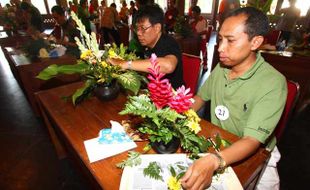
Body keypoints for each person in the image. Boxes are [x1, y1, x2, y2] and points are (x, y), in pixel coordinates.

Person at [181, 7, 287, 190]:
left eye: (230, 41)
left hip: (256, 152)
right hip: (218, 140)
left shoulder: (273, 83)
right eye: (220, 39)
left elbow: (252, 140)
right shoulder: (222, 68)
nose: (220, 48)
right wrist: (178, 114)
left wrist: (215, 161)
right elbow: (199, 98)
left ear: (255, 42)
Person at [109, 4, 184, 89]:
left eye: (143, 28)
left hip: (173, 98)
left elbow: (168, 66)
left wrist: (126, 64)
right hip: (154, 92)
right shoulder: (147, 44)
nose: (138, 33)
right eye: (137, 28)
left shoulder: (169, 42)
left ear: (157, 28)